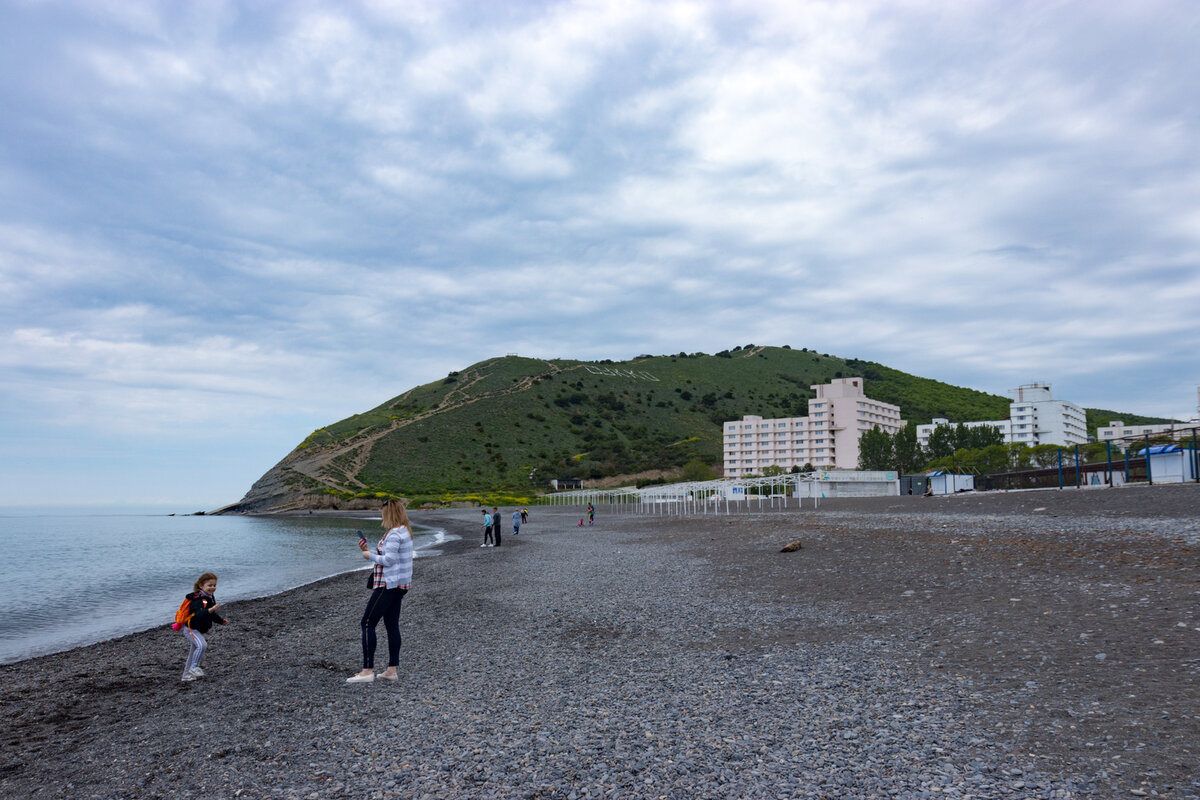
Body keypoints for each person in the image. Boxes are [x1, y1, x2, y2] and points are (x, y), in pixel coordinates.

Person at [348, 499, 413, 684]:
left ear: (390, 513)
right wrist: (370, 550)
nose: (381, 516)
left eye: (383, 512)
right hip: (399, 585)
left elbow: (389, 560)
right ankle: (391, 670)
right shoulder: (404, 531)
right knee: (392, 625)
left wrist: (368, 555)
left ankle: (367, 671)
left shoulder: (394, 533)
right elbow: (391, 556)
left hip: (388, 585)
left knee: (367, 623)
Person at [178, 572, 228, 682]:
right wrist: (212, 609)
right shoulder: (198, 599)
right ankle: (194, 667)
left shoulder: (208, 597)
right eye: (209, 585)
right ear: (201, 586)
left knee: (193, 652)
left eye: (214, 585)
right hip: (191, 629)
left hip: (199, 629)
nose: (212, 587)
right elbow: (199, 613)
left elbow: (210, 614)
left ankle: (186, 676)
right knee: (202, 646)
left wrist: (220, 621)